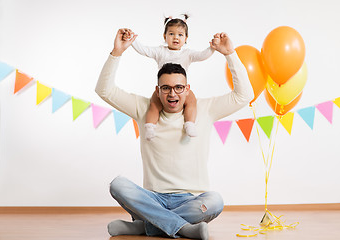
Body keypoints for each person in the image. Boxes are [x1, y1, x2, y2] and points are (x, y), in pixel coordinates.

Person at [95, 28, 254, 240]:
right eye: (166, 88)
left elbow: (245, 96)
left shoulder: (206, 109)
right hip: (152, 198)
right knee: (118, 185)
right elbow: (104, 90)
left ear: (187, 89)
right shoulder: (143, 109)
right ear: (157, 90)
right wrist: (117, 52)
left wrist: (229, 54)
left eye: (179, 88)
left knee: (215, 200)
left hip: (192, 200)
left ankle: (147, 226)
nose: (173, 94)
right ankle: (183, 228)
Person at [127, 14, 215, 141]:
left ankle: (189, 123)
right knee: (154, 105)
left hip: (181, 89)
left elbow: (202, 55)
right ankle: (150, 126)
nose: (176, 38)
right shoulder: (160, 51)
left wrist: (212, 47)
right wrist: (133, 40)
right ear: (165, 36)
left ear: (186, 38)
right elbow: (144, 50)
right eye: (171, 34)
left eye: (180, 35)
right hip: (164, 89)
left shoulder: (187, 54)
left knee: (191, 102)